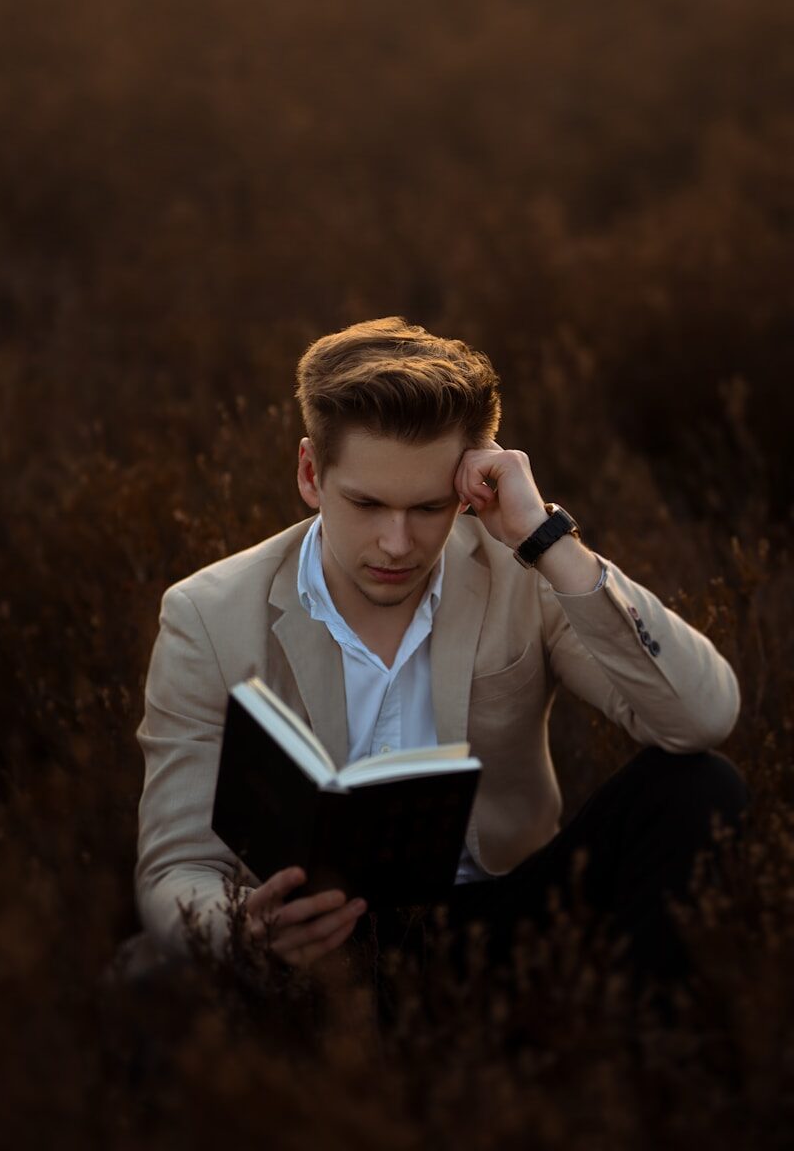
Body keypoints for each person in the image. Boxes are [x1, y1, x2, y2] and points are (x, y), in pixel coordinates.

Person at [132, 315, 749, 1009]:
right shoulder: (205, 614)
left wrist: (548, 539)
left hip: (503, 919)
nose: (396, 543)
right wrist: (241, 931)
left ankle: (634, 1078)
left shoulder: (525, 569)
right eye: (366, 503)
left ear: (469, 486)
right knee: (145, 981)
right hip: (318, 949)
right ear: (311, 473)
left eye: (429, 507)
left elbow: (702, 717)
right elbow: (176, 864)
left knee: (701, 788)